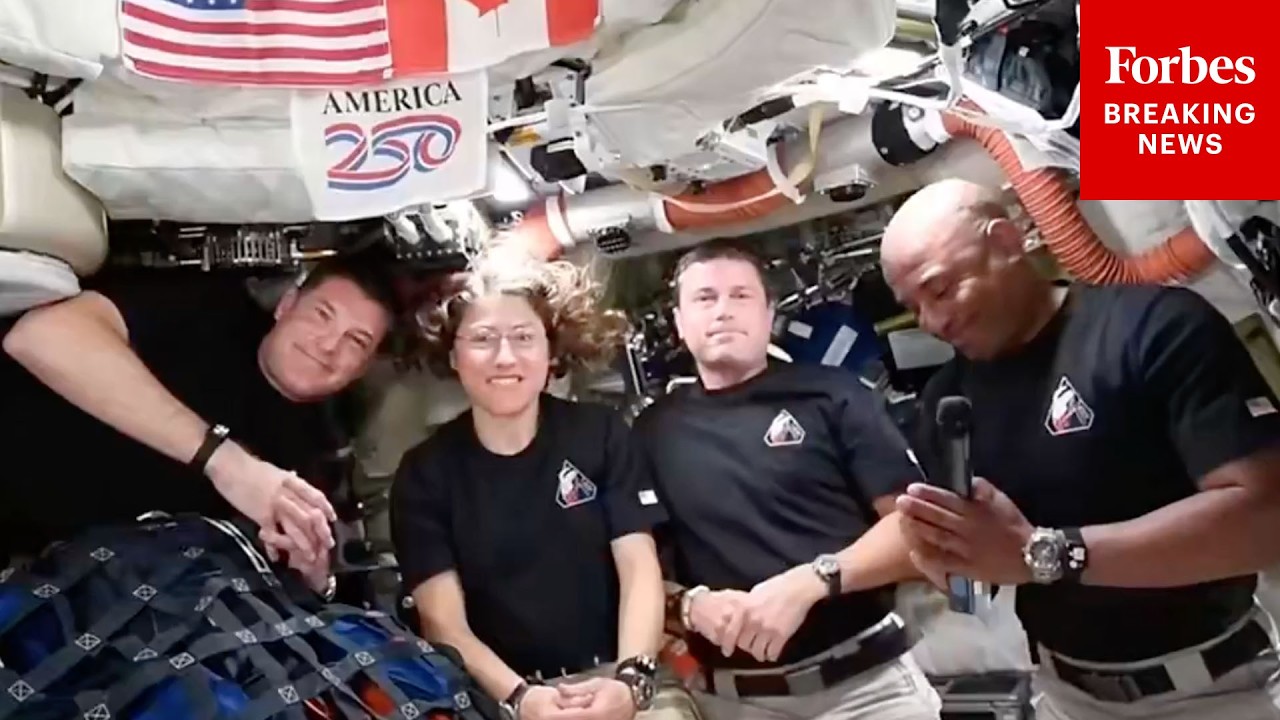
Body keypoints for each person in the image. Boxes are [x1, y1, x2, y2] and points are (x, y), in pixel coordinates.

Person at [880, 178, 1280, 719]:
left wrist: (1046, 553)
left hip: (1220, 690)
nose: (932, 322)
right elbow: (981, 581)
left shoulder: (1153, 327)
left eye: (941, 290)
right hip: (1067, 697)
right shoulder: (947, 401)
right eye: (914, 307)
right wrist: (948, 557)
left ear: (1005, 242)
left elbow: (1265, 519)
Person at [632, 240, 943, 720]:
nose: (723, 310)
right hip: (736, 704)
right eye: (704, 298)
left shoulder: (835, 396)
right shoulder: (652, 432)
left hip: (867, 692)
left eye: (740, 296)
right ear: (679, 322)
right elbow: (637, 573)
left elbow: (921, 531)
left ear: (768, 313)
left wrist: (813, 581)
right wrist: (690, 606)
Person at [389, 247, 683, 720]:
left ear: (550, 351)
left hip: (618, 675)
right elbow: (443, 622)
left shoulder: (601, 434)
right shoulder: (424, 473)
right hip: (502, 695)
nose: (504, 357)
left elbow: (638, 567)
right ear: (454, 355)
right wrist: (521, 699)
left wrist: (631, 681)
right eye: (483, 339)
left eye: (524, 337)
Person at [0, 255, 398, 587]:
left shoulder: (324, 456)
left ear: (364, 367)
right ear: (286, 305)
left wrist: (309, 574)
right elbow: (39, 337)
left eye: (356, 341)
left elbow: (313, 586)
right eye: (322, 315)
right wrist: (225, 462)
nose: (328, 345)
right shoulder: (209, 306)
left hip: (57, 583)